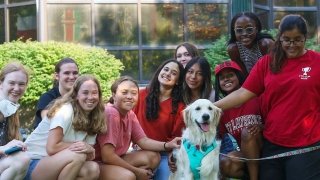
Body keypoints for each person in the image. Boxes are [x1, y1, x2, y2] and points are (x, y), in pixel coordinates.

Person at [214, 14, 320, 180]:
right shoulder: (266, 63)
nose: (292, 45)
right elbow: (243, 93)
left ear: (306, 38)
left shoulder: (316, 62)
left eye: (298, 40)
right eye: (286, 40)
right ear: (279, 38)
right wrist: (211, 106)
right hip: (273, 142)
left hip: (306, 144)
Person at [95, 76, 181, 180]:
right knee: (128, 176)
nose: (130, 97)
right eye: (124, 92)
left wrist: (167, 145)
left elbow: (143, 141)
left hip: (116, 158)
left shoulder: (130, 114)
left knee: (154, 157)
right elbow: (107, 156)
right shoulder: (111, 113)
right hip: (99, 163)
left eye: (134, 93)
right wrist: (136, 171)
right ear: (114, 95)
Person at [24, 75, 106, 180]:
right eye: (85, 93)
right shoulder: (65, 110)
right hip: (32, 163)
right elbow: (52, 148)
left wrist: (88, 148)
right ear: (76, 95)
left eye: (94, 93)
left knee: (92, 169)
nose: (90, 97)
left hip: (56, 162)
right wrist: (81, 146)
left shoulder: (94, 116)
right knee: (77, 155)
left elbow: (88, 156)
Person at [134, 59, 185, 180]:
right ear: (159, 72)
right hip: (139, 151)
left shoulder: (181, 106)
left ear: (178, 81)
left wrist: (171, 153)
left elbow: (175, 138)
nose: (167, 74)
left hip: (164, 154)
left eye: (173, 73)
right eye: (166, 69)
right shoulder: (140, 95)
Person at [214, 61, 263, 180]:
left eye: (230, 75)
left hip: (266, 148)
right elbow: (218, 139)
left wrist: (261, 126)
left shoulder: (256, 97)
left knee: (248, 132)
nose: (226, 79)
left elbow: (273, 121)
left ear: (239, 77)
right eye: (222, 78)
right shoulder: (221, 111)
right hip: (246, 155)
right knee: (226, 162)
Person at [0, 62, 30, 180]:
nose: (16, 88)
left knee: (23, 158)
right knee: (20, 160)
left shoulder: (11, 108)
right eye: (11, 83)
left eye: (21, 84)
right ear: (1, 83)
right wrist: (4, 148)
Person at [33, 57, 79, 129]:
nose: (72, 77)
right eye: (67, 73)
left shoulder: (80, 97)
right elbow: (50, 126)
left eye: (75, 73)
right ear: (57, 76)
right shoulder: (47, 98)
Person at [227, 12, 274, 76]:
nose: (244, 34)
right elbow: (243, 75)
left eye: (249, 29)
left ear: (256, 29)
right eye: (239, 30)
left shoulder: (266, 44)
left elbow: (274, 71)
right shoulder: (233, 49)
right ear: (234, 31)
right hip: (250, 83)